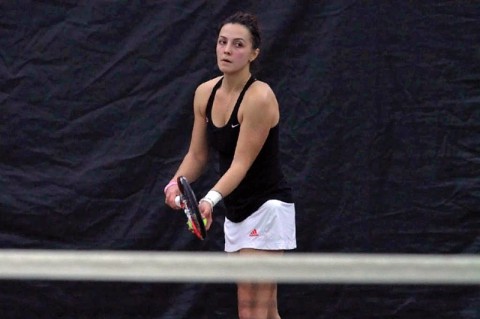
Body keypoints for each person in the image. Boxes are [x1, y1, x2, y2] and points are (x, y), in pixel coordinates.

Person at [164, 11, 296, 319]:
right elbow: (197, 156)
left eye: (238, 44)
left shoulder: (260, 98)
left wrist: (208, 201)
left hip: (267, 209)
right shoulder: (204, 94)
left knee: (251, 312)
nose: (227, 50)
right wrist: (173, 184)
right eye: (223, 42)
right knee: (267, 313)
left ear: (254, 53)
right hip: (236, 210)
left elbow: (241, 164)